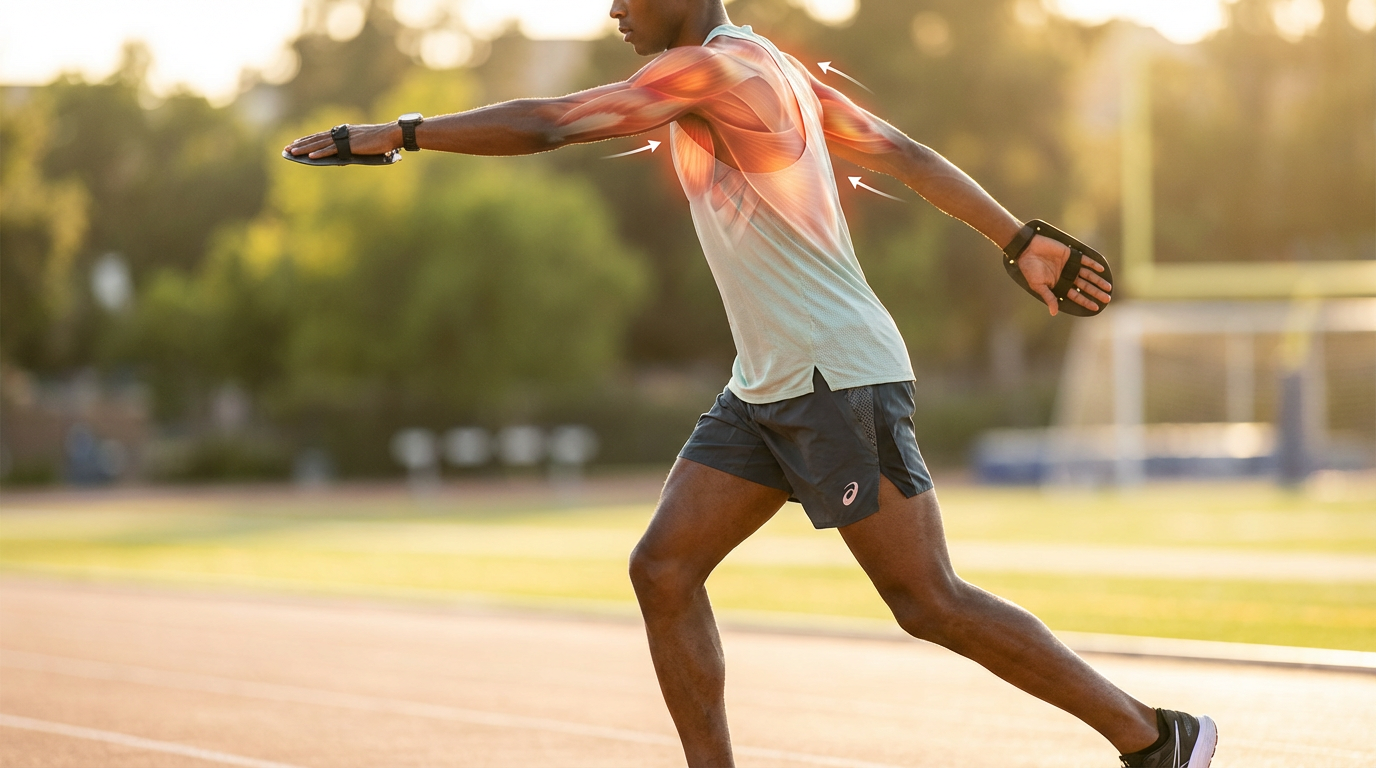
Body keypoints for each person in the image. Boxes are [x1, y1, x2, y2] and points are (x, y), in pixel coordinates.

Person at [286, 1, 1216, 765]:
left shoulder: (718, 69)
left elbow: (553, 122)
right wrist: (1017, 238)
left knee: (927, 599)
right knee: (664, 568)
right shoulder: (768, 69)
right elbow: (903, 153)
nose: (612, 9)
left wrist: (398, 133)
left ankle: (1153, 739)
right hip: (770, 382)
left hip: (834, 376)